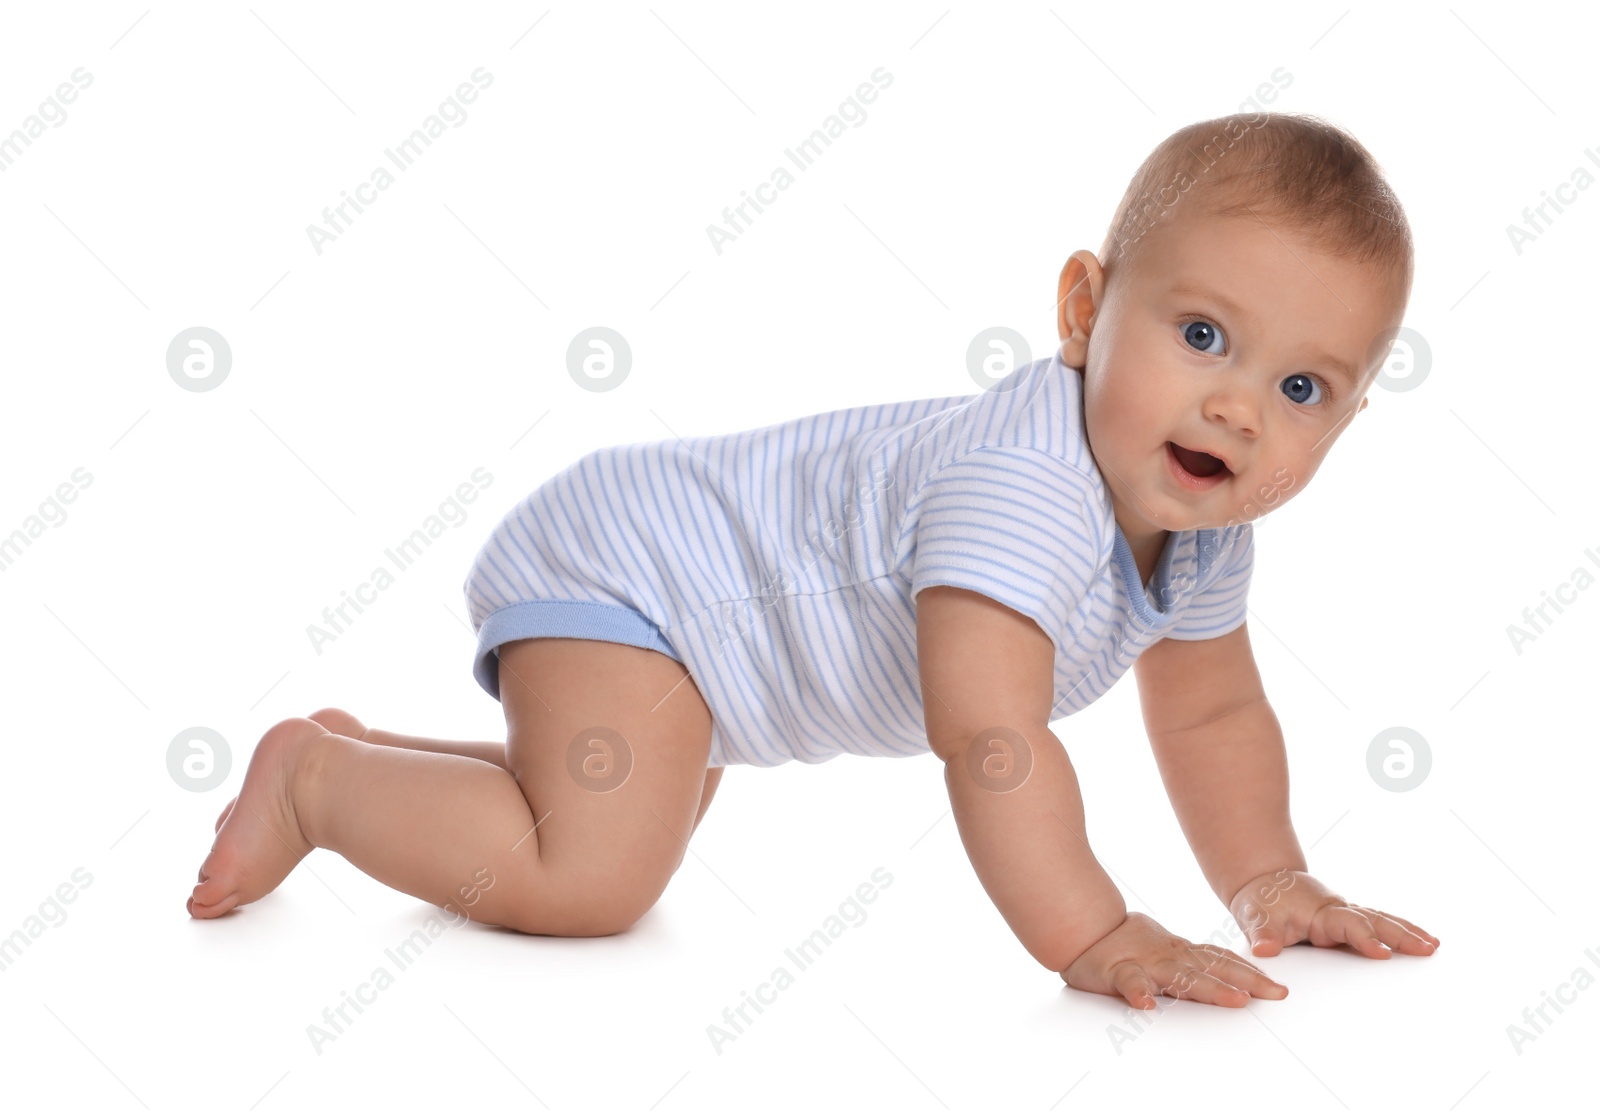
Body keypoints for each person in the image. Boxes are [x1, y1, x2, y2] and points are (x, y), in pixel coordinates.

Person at [189, 110, 1439, 1010]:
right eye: (1202, 333)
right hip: (649, 580)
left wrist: (1270, 879)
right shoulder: (1021, 492)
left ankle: (377, 758)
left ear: (1347, 419)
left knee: (625, 794)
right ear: (1081, 311)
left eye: (1299, 385)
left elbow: (1213, 710)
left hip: (705, 647)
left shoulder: (1205, 530)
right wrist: (1091, 932)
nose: (1237, 409)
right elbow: (990, 741)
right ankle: (318, 786)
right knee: (593, 877)